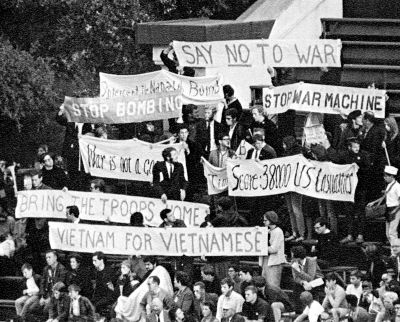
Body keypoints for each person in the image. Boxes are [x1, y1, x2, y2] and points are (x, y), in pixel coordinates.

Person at [336, 138, 371, 244]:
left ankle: (360, 235)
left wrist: (358, 167)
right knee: (349, 213)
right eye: (354, 147)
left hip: (360, 188)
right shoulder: (344, 156)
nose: (357, 149)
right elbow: (338, 167)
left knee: (360, 212)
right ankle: (350, 234)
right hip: (348, 189)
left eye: (358, 146)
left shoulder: (364, 155)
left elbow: (368, 169)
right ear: (349, 147)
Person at [368, 165, 400, 243]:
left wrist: (395, 211)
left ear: (392, 176)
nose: (384, 178)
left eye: (386, 176)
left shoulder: (397, 186)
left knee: (392, 233)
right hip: (388, 209)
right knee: (388, 234)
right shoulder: (389, 185)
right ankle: (394, 251)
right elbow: (385, 196)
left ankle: (395, 253)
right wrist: (374, 202)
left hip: (395, 209)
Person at [282, 136, 305, 242]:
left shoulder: (298, 151)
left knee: (296, 209)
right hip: (287, 184)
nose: (283, 146)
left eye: (284, 144)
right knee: (290, 210)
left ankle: (301, 233)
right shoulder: (286, 153)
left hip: (296, 184)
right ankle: (294, 232)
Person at [176, 125, 204, 201]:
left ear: (188, 133)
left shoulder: (194, 145)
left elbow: (195, 161)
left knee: (188, 196)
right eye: (182, 133)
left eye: (185, 132)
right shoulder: (174, 144)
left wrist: (188, 150)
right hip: (177, 175)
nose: (184, 135)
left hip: (189, 174)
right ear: (178, 134)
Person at [259, 211, 285, 288]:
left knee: (273, 286)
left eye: (265, 220)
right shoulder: (267, 230)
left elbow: (274, 249)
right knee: (265, 284)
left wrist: (261, 247)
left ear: (271, 220)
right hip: (266, 260)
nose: (263, 222)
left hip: (274, 262)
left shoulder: (278, 231)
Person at [39, 250, 68, 314]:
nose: (47, 259)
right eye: (46, 258)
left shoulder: (62, 269)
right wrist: (42, 297)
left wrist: (50, 298)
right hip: (46, 294)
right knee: (33, 307)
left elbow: (60, 286)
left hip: (56, 296)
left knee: (45, 310)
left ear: (55, 258)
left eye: (49, 257)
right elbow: (42, 283)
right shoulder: (46, 268)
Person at [91, 251, 117, 317]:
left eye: (95, 261)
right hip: (97, 296)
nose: (93, 263)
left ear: (101, 260)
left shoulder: (110, 271)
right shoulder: (94, 271)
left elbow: (113, 288)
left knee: (96, 306)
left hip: (108, 296)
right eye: (93, 261)